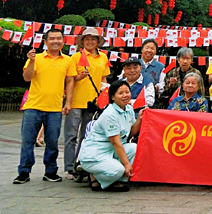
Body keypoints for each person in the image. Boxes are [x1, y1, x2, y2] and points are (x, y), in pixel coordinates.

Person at [14, 28, 76, 185]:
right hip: (33, 106)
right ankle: (24, 172)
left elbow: (70, 81)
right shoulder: (36, 57)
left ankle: (50, 171)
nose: (56, 41)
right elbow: (27, 77)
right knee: (27, 141)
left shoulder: (68, 60)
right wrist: (32, 61)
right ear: (45, 42)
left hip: (54, 108)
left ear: (63, 41)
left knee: (53, 142)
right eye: (52, 38)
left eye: (59, 38)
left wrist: (68, 102)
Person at [79, 80, 142, 192]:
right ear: (112, 97)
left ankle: (118, 181)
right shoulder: (110, 114)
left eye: (127, 92)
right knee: (118, 170)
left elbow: (131, 132)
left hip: (111, 151)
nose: (125, 95)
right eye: (120, 93)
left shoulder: (128, 109)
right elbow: (115, 142)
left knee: (134, 147)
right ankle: (94, 176)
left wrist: (140, 119)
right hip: (96, 153)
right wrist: (127, 165)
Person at [64, 27, 110, 180]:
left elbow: (104, 79)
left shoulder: (103, 58)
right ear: (82, 41)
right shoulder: (75, 57)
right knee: (71, 135)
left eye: (93, 39)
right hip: (76, 101)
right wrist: (79, 77)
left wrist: (105, 98)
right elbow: (69, 79)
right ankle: (69, 168)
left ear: (98, 42)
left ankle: (81, 164)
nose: (90, 41)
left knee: (88, 136)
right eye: (87, 39)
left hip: (94, 103)